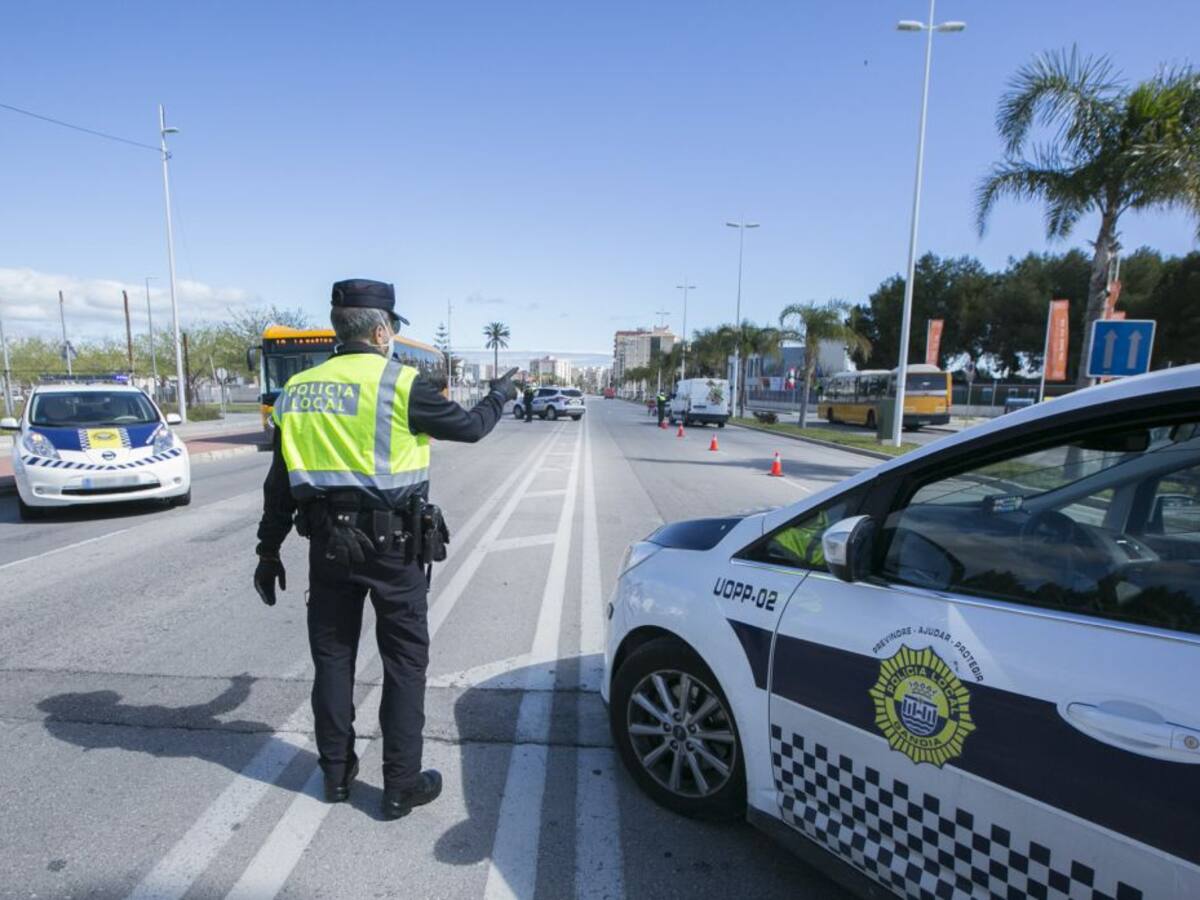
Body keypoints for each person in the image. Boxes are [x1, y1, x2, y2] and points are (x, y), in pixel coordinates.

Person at [253, 278, 517, 821]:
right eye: (392, 328)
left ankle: (335, 775)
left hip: (328, 546)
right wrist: (500, 395)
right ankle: (399, 786)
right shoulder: (401, 384)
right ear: (380, 332)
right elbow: (471, 427)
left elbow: (278, 483)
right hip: (394, 548)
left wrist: (268, 550)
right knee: (403, 663)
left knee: (333, 659)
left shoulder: (296, 390)